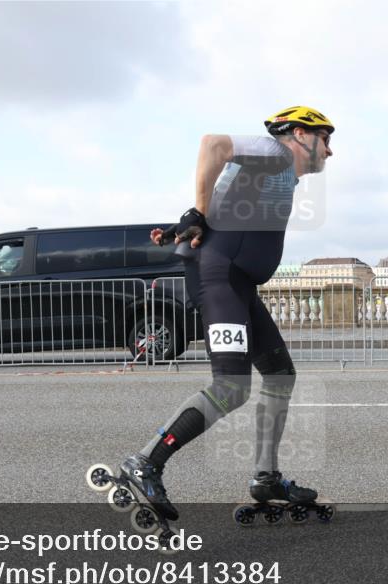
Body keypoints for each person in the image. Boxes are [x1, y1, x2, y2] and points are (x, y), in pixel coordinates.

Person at [120, 105, 334, 521]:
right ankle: (146, 461)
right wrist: (198, 213)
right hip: (220, 280)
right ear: (299, 134)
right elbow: (212, 145)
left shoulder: (276, 170)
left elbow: (227, 201)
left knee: (279, 374)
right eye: (325, 137)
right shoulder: (275, 152)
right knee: (232, 386)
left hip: (238, 284)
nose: (330, 150)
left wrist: (191, 220)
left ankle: (266, 478)